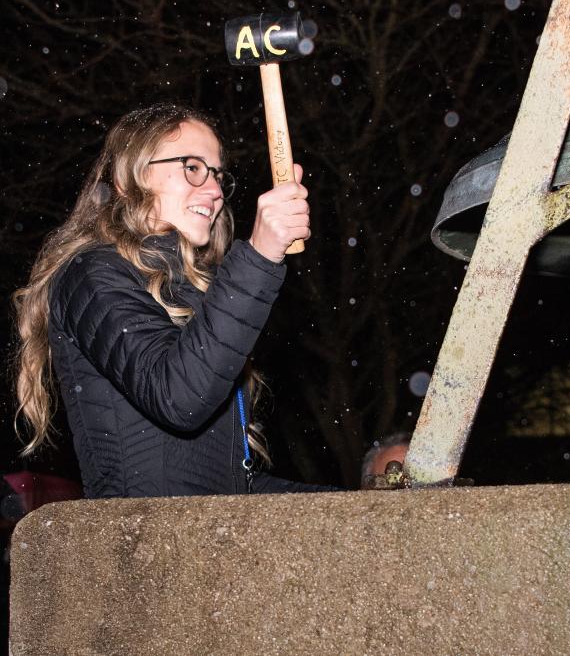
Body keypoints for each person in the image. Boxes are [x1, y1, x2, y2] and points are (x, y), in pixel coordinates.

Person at [13, 104, 332, 497]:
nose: (215, 191)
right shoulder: (91, 276)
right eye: (192, 167)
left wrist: (353, 507)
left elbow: (225, 489)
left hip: (203, 535)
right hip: (145, 545)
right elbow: (178, 397)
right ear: (128, 175)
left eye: (216, 174)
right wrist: (260, 255)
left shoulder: (201, 294)